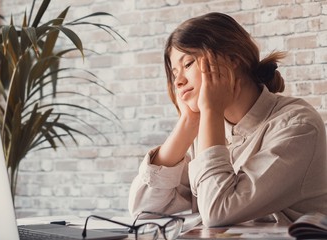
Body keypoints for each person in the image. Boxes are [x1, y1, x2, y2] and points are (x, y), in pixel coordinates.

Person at [128, 12, 327, 227]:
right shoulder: (209, 129)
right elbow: (144, 210)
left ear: (232, 60)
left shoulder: (298, 126)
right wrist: (188, 122)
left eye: (187, 65)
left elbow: (217, 212)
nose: (178, 81)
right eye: (174, 72)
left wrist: (210, 110)